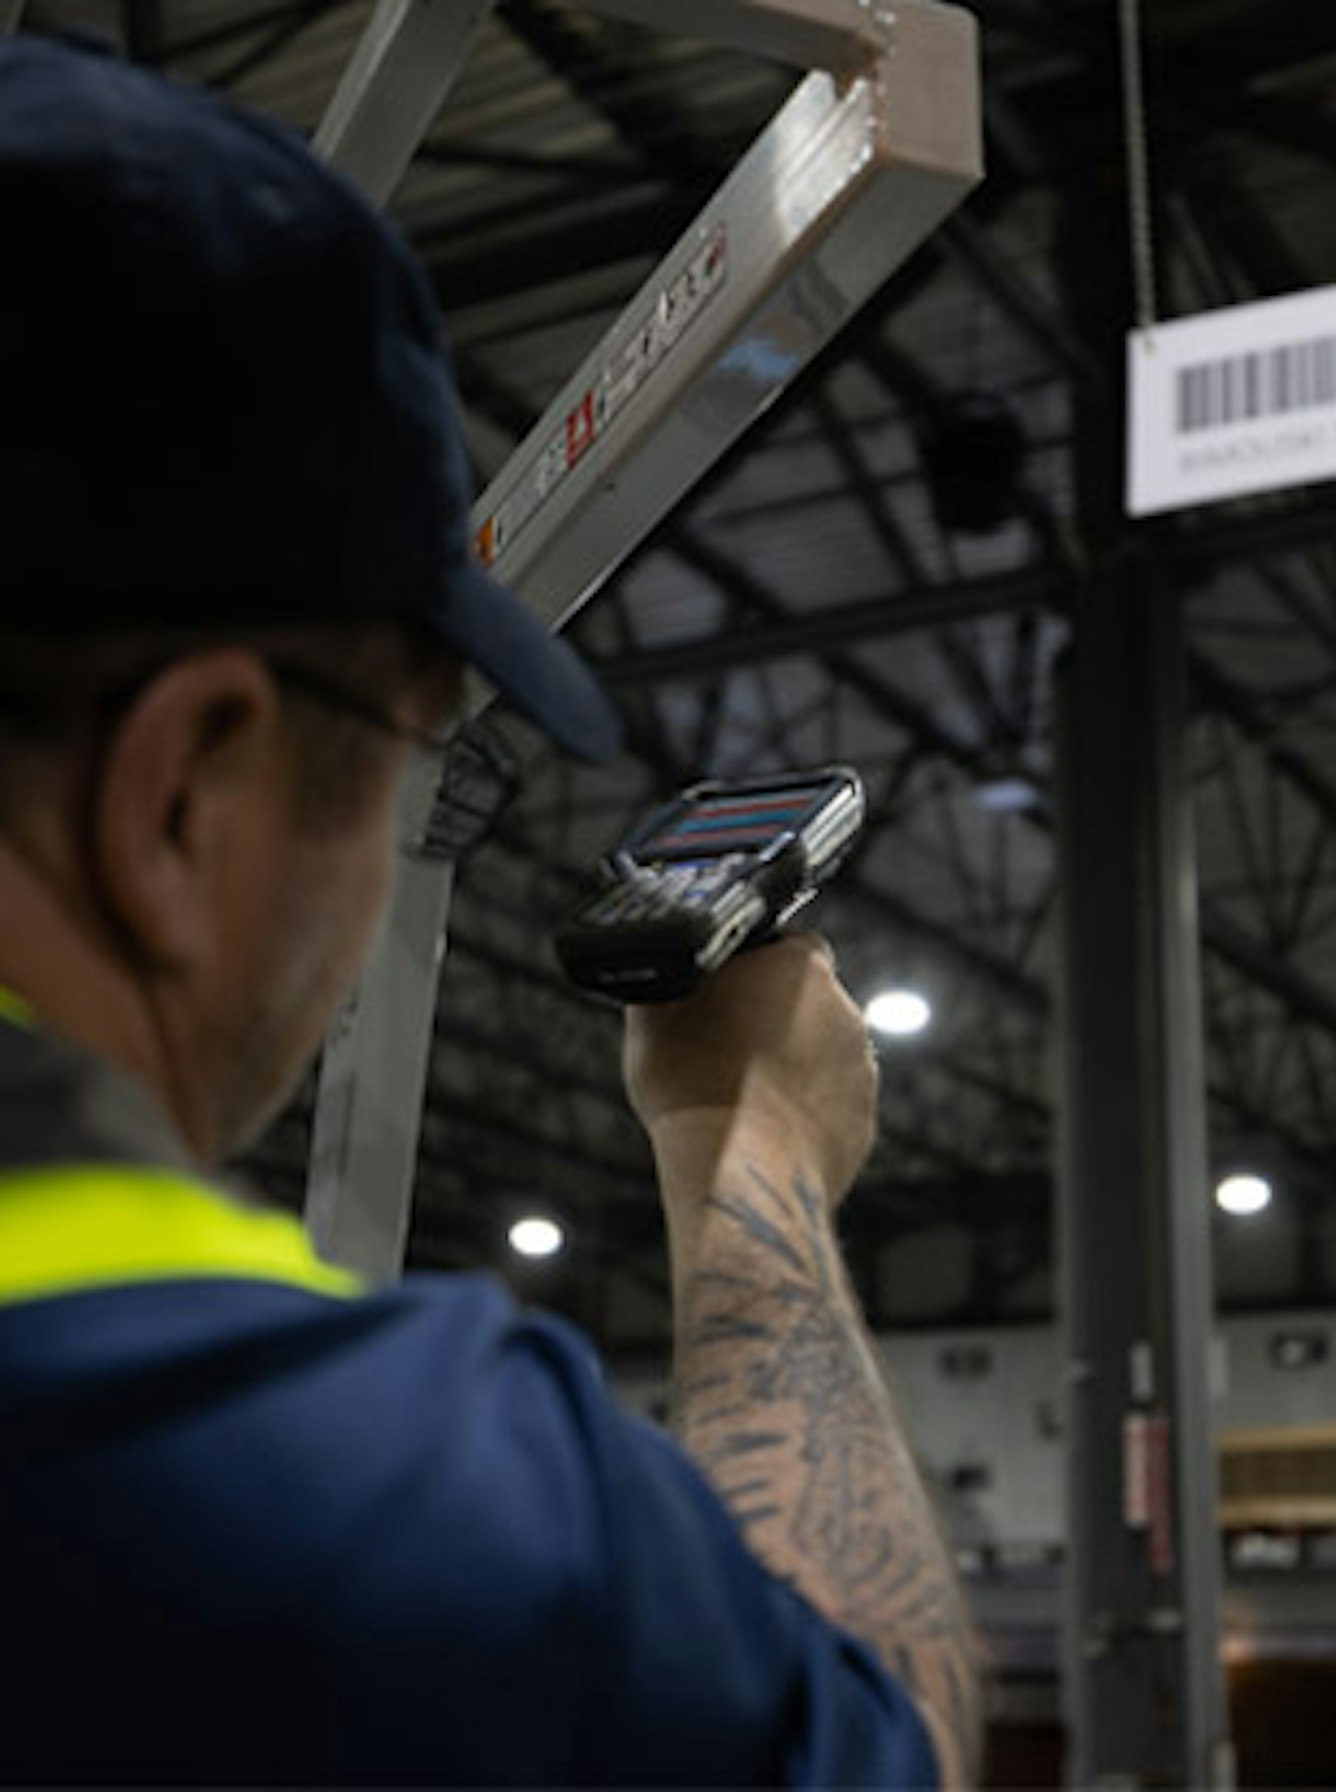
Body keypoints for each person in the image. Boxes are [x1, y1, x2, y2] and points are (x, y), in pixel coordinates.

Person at [0, 32, 982, 1788]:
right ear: (180, 791)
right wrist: (742, 1141)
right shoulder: (361, 1496)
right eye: (390, 750)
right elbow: (871, 1738)